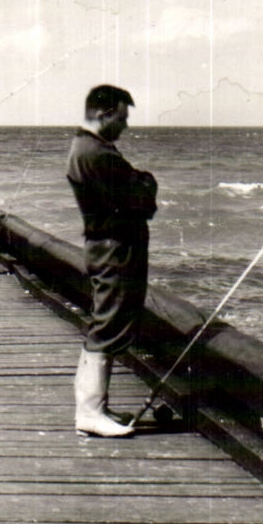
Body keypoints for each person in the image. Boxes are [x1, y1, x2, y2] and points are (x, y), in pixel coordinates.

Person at [68, 84, 157, 438]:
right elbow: (142, 201)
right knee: (108, 325)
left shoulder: (85, 148)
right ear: (104, 115)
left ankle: (94, 407)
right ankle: (89, 412)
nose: (125, 126)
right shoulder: (100, 155)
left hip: (104, 245)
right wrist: (147, 180)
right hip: (114, 249)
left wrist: (139, 181)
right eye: (122, 118)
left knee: (104, 322)